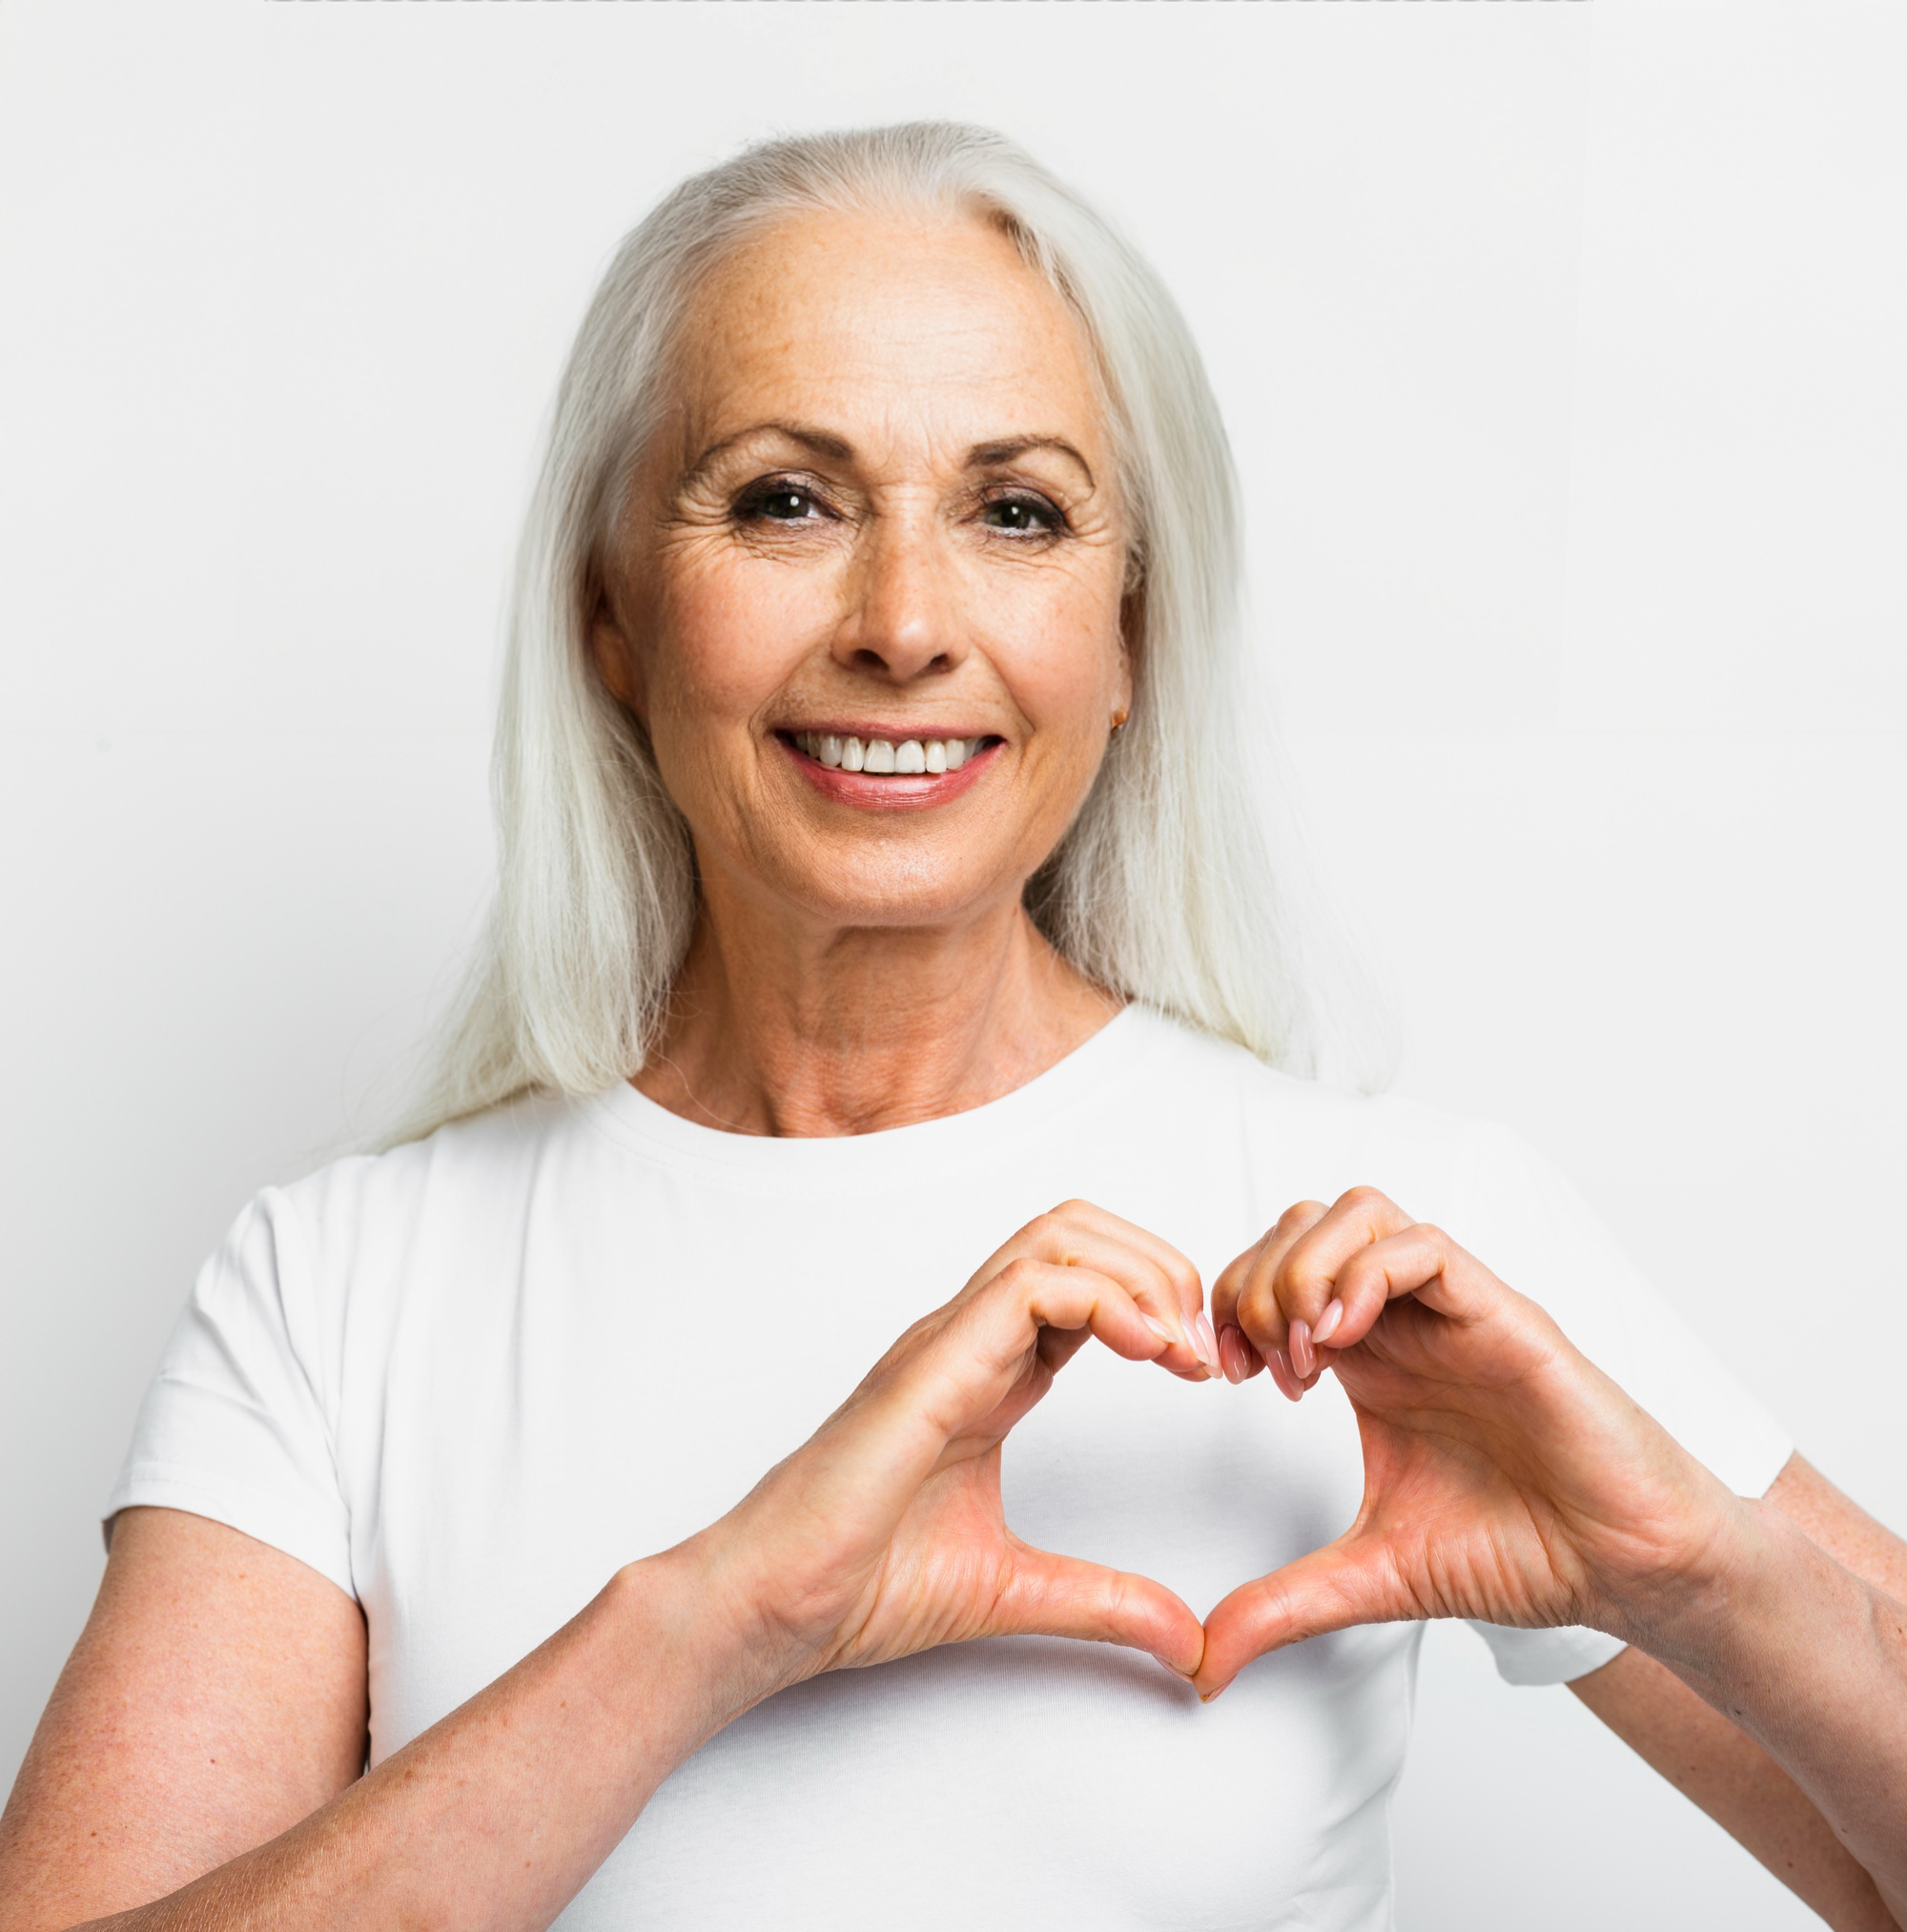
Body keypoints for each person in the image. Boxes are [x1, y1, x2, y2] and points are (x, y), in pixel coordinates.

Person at [1, 123, 1901, 1932]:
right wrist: (716, 1618)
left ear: (1133, 632)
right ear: (610, 616)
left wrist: (1703, 1581)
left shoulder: (1398, 1250)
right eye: (785, 500)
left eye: (1014, 510)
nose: (905, 621)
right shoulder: (340, 1287)